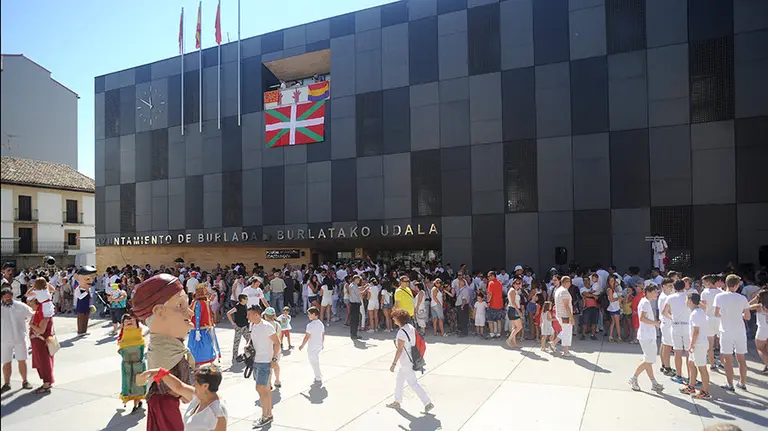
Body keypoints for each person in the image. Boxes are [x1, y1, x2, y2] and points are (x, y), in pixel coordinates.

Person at [132, 274, 196, 431]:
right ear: (159, 311)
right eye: (180, 306)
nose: (190, 313)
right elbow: (173, 387)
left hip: (165, 403)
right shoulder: (164, 352)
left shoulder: (170, 348)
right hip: (163, 404)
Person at [140, 365, 227, 431]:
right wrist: (160, 372)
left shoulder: (217, 412)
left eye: (196, 383)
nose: (193, 385)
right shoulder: (198, 397)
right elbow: (179, 386)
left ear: (205, 386)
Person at [386, 308, 434, 413]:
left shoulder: (401, 333)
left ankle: (427, 402)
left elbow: (399, 350)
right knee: (399, 380)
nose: (393, 319)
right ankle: (397, 401)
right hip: (411, 358)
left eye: (394, 317)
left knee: (413, 383)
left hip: (405, 361)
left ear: (399, 319)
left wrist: (393, 363)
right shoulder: (410, 327)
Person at [714, 274, 751, 391]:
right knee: (741, 358)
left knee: (728, 359)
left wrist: (725, 314)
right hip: (739, 331)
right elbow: (748, 317)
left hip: (725, 331)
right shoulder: (742, 298)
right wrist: (738, 314)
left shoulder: (719, 297)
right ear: (736, 285)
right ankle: (742, 382)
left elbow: (716, 314)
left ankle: (730, 384)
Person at [247, 305, 280, 428]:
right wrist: (248, 345)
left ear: (256, 314)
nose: (247, 316)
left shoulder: (267, 327)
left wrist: (274, 359)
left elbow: (277, 343)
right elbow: (252, 338)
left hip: (265, 362)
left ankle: (265, 415)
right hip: (256, 361)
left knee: (261, 389)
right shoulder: (253, 325)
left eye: (249, 314)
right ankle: (268, 414)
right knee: (265, 389)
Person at [629, 282, 664, 392]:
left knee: (648, 360)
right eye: (654, 292)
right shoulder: (645, 303)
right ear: (648, 292)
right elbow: (642, 318)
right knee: (649, 360)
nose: (656, 294)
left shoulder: (646, 302)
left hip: (648, 335)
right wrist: (655, 323)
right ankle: (634, 378)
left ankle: (654, 383)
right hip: (646, 336)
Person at [1, 286, 34, 393]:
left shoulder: (21, 306)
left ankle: (25, 381)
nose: (7, 300)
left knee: (22, 359)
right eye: (5, 298)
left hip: (20, 337)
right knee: (6, 361)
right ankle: (6, 383)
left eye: (9, 298)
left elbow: (32, 315)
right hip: (5, 339)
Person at [680, 292, 711, 399]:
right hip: (698, 344)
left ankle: (705, 392)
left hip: (699, 344)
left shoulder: (695, 314)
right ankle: (691, 386)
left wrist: (691, 345)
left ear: (689, 300)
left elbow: (696, 331)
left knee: (702, 368)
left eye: (686, 299)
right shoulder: (699, 311)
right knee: (691, 364)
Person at [663, 280, 691, 384]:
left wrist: (672, 318)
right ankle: (690, 376)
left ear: (674, 288)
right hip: (687, 326)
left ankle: (679, 375)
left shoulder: (670, 297)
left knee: (677, 352)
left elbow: (664, 312)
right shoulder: (689, 296)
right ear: (684, 287)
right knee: (688, 352)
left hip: (675, 326)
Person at [118, 313, 146, 412]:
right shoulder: (122, 336)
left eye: (131, 320)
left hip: (138, 364)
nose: (129, 321)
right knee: (128, 382)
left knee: (138, 381)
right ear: (122, 325)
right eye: (126, 321)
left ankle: (137, 402)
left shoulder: (139, 334)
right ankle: (134, 401)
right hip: (127, 365)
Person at [188, 286, 221, 367]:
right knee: (199, 347)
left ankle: (207, 361)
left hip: (206, 329)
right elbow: (197, 316)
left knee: (208, 345)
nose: (207, 293)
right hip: (199, 330)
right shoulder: (198, 303)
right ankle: (197, 362)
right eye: (205, 292)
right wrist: (198, 331)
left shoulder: (205, 302)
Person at [699, 274, 722, 371]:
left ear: (708, 282)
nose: (702, 284)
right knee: (722, 343)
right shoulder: (721, 292)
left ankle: (712, 364)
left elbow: (703, 306)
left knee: (710, 344)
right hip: (719, 318)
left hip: (708, 318)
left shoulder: (704, 293)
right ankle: (722, 362)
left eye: (704, 282)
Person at [299, 306, 325, 385]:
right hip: (319, 345)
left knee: (313, 361)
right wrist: (322, 343)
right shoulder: (321, 324)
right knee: (315, 360)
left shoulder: (310, 325)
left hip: (312, 346)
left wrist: (302, 345)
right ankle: (318, 374)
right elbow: (323, 335)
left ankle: (318, 376)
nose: (308, 316)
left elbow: (307, 337)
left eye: (309, 314)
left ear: (314, 314)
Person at [552, 276, 575, 357]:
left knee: (565, 331)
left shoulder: (559, 290)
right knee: (567, 333)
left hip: (561, 314)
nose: (570, 283)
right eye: (569, 281)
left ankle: (553, 344)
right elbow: (566, 306)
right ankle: (565, 351)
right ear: (566, 282)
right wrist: (571, 317)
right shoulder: (564, 291)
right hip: (565, 316)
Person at [657, 278, 675, 377]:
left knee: (664, 344)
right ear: (663, 286)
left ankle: (664, 364)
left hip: (665, 322)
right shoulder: (665, 297)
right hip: (667, 322)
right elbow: (667, 312)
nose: (671, 288)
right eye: (669, 286)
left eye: (672, 286)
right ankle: (667, 368)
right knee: (667, 346)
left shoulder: (665, 296)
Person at [73, 266, 98, 336]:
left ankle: (84, 330)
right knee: (81, 318)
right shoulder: (78, 288)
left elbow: (90, 296)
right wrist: (86, 292)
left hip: (87, 304)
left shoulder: (88, 288)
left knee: (86, 317)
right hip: (81, 305)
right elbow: (79, 296)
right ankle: (80, 331)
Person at [748, 289, 768, 374]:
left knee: (760, 349)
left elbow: (746, 306)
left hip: (762, 330)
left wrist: (755, 299)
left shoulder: (758, 306)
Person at [226, 294, 250, 362]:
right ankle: (234, 356)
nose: (247, 300)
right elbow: (228, 313)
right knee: (237, 342)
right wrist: (232, 322)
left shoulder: (245, 305)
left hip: (245, 326)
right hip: (239, 326)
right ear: (242, 299)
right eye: (246, 299)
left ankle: (248, 354)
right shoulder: (237, 306)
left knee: (249, 340)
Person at [347, 275, 367, 340]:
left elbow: (358, 289)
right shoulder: (353, 286)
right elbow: (359, 293)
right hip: (355, 304)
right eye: (358, 280)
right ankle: (354, 334)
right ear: (355, 280)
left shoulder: (352, 285)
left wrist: (364, 286)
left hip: (354, 303)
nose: (359, 281)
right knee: (355, 320)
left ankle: (353, 333)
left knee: (354, 319)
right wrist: (365, 289)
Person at [506, 277, 524, 348]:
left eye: (519, 283)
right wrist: (519, 311)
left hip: (513, 309)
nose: (518, 285)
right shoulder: (512, 290)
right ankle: (509, 340)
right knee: (519, 327)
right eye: (517, 283)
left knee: (514, 328)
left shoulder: (514, 290)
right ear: (513, 284)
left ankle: (514, 343)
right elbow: (513, 302)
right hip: (513, 310)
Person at [486, 271, 504, 339]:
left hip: (492, 304)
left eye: (488, 276)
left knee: (490, 320)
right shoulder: (500, 283)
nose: (488, 278)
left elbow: (490, 294)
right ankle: (499, 333)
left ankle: (492, 333)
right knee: (498, 320)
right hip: (499, 304)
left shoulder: (491, 283)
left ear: (492, 276)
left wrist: (488, 301)